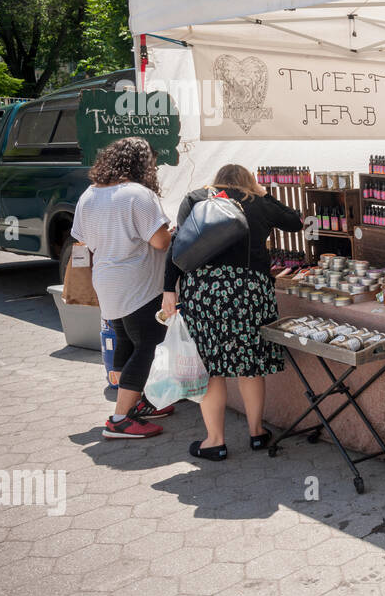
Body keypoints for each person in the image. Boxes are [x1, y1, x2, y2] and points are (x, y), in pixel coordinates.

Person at [162, 164, 304, 460]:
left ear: (216, 180)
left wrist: (168, 290)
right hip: (249, 291)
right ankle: (256, 434)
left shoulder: (195, 198)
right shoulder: (258, 202)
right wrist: (266, 194)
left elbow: (178, 245)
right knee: (248, 364)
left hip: (204, 291)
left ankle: (215, 441)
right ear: (249, 182)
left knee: (211, 368)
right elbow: (295, 222)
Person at [71, 138, 174, 439]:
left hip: (107, 282)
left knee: (127, 342)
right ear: (142, 165)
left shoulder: (89, 195)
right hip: (139, 285)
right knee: (148, 345)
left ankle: (137, 404)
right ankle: (119, 419)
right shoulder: (138, 195)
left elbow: (84, 240)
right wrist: (170, 230)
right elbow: (160, 242)